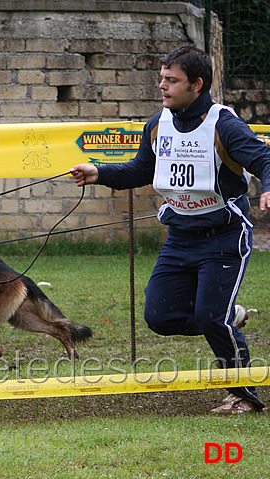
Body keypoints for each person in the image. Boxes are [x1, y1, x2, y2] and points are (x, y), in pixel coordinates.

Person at [71, 44, 270, 414]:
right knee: (159, 318)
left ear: (197, 84)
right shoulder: (157, 124)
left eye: (171, 80)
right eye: (161, 78)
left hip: (224, 238)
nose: (162, 86)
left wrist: (269, 187)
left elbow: (264, 158)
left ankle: (243, 395)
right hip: (179, 238)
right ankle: (227, 316)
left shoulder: (223, 124)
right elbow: (140, 171)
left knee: (212, 317)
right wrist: (99, 172)